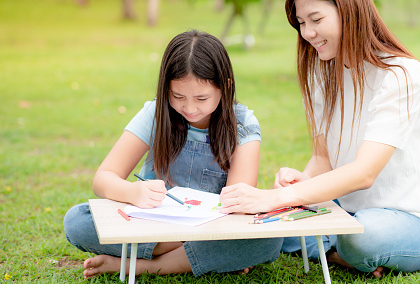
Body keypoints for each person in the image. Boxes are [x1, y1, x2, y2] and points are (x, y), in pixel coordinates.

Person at [219, 0, 420, 278]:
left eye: (316, 19)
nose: (308, 33)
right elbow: (322, 159)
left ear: (348, 9)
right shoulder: (320, 70)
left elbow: (363, 173)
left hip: (412, 220)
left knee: (364, 236)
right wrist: (302, 182)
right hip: (346, 210)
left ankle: (339, 248)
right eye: (301, 23)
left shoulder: (401, 74)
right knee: (273, 227)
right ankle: (336, 248)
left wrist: (277, 197)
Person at [64, 30, 283, 279]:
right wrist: (133, 192)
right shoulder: (156, 114)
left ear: (226, 87)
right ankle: (204, 258)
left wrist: (211, 232)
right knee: (77, 221)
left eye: (202, 98)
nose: (189, 108)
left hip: (210, 226)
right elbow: (103, 178)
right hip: (153, 224)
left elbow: (237, 204)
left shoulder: (242, 124)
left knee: (270, 240)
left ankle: (137, 265)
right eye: (178, 96)